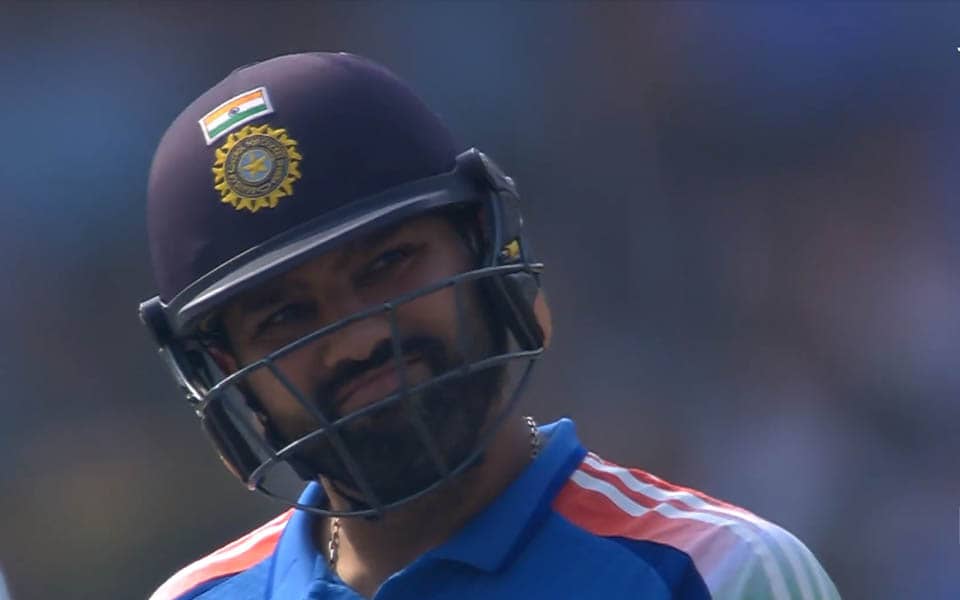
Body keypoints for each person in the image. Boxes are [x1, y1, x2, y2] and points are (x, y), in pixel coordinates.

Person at [140, 52, 840, 600]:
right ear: (224, 368)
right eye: (286, 316)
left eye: (388, 264)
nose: (357, 339)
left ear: (482, 247)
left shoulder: (712, 573)